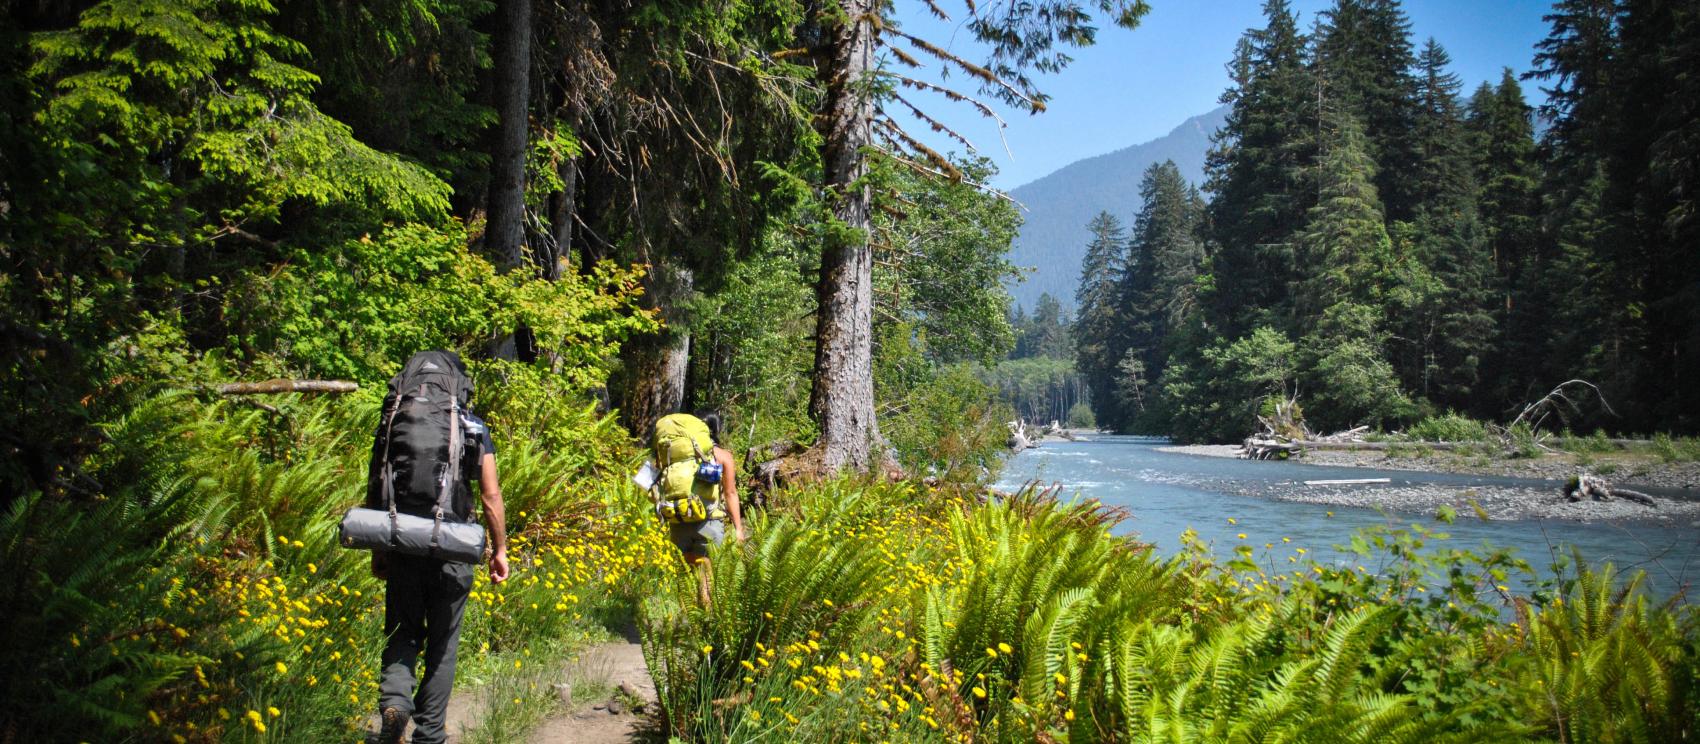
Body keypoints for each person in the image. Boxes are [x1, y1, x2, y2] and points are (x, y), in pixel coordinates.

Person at [368, 354, 509, 744]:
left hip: (402, 542)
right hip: (453, 546)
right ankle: (429, 733)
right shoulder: (473, 426)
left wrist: (379, 548)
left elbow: (378, 482)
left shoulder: (394, 419)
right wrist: (500, 549)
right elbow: (491, 495)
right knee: (443, 646)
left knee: (401, 629)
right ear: (460, 386)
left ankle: (395, 702)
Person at [666, 411, 743, 606]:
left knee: (683, 574)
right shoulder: (723, 456)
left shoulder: (678, 455)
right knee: (708, 575)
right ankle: (705, 621)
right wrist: (738, 528)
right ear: (717, 430)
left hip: (679, 520)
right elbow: (730, 493)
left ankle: (684, 622)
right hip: (709, 522)